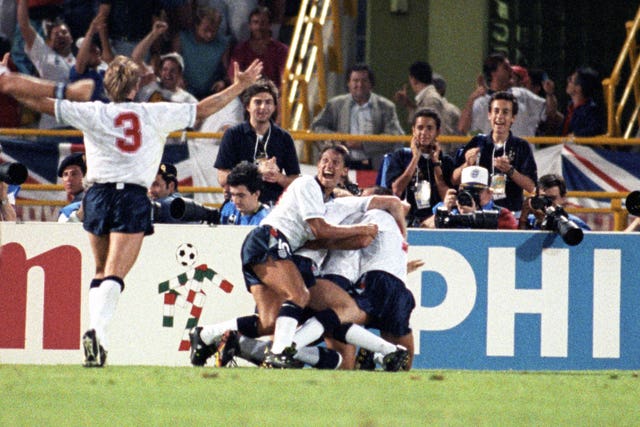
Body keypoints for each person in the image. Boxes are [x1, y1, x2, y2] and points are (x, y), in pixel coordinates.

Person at [0, 54, 263, 367]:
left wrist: (8, 80)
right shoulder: (154, 113)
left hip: (96, 196)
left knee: (100, 270)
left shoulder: (92, 112)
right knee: (116, 272)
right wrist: (238, 86)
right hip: (132, 197)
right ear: (136, 85)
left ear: (107, 84)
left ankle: (96, 333)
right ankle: (98, 332)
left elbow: (40, 103)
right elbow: (204, 109)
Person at [189, 146, 408, 370]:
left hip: (272, 248)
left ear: (344, 171)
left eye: (335, 163)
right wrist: (360, 229)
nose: (328, 166)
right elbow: (319, 230)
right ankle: (280, 352)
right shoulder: (307, 184)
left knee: (268, 322)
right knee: (303, 298)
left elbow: (391, 205)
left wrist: (390, 238)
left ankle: (205, 334)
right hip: (271, 240)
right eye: (324, 160)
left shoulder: (330, 202)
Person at [214, 78, 299, 206]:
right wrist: (257, 171)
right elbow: (222, 178)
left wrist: (279, 177)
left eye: (268, 102)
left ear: (275, 106)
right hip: (238, 207)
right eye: (257, 102)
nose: (263, 107)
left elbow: (295, 181)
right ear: (248, 106)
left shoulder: (284, 137)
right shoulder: (233, 134)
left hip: (274, 208)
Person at [453, 91, 538, 213]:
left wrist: (510, 170)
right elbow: (454, 179)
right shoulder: (477, 142)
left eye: (505, 112)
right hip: (477, 213)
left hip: (511, 214)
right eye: (496, 111)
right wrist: (467, 164)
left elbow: (532, 187)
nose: (500, 116)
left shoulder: (521, 146)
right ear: (489, 115)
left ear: (513, 117)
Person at [311, 63, 404, 170]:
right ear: (348, 83)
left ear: (371, 84)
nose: (359, 85)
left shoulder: (386, 107)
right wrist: (338, 139)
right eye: (355, 81)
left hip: (375, 167)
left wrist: (363, 144)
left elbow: (395, 136)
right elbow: (316, 128)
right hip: (341, 166)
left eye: (364, 81)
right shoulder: (335, 105)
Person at [457, 52, 559, 138]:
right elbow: (462, 128)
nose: (511, 70)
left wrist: (550, 94)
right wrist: (472, 99)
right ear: (494, 73)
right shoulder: (482, 102)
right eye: (505, 67)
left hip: (524, 157)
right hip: (497, 158)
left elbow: (550, 112)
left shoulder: (522, 94)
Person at [383, 108, 454, 226]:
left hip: (435, 220)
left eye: (429, 128)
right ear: (413, 131)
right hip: (405, 219)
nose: (424, 132)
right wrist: (415, 158)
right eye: (420, 128)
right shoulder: (400, 156)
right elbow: (396, 190)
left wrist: (436, 163)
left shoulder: (446, 161)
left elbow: (446, 198)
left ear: (437, 132)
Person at [17, 0, 75, 129]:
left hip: (75, 126)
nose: (61, 36)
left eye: (64, 33)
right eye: (56, 34)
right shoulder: (43, 55)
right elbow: (24, 26)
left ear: (71, 37)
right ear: (48, 41)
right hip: (51, 128)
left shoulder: (80, 60)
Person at [423, 165, 517, 230]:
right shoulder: (448, 208)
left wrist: (474, 217)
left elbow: (510, 240)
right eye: (467, 190)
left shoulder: (501, 214)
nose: (471, 195)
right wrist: (444, 210)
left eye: (477, 191)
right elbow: (421, 231)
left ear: (489, 193)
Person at [132, 20, 198, 104]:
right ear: (160, 71)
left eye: (173, 71)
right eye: (165, 69)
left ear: (180, 74)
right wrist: (154, 34)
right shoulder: (150, 82)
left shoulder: (188, 100)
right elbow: (136, 57)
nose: (168, 74)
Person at [173, 6, 231, 99]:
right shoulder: (181, 39)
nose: (210, 35)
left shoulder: (223, 43)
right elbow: (172, 64)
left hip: (211, 92)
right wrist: (178, 77)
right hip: (185, 90)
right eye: (206, 30)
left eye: (214, 30)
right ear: (196, 25)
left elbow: (227, 71)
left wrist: (223, 82)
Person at [227, 6, 288, 91]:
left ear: (270, 25)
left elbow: (285, 79)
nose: (259, 27)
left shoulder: (281, 49)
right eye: (255, 22)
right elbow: (233, 77)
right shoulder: (240, 49)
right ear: (250, 25)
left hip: (273, 96)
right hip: (245, 95)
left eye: (263, 23)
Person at [394, 61, 459, 136]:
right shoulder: (427, 98)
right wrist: (408, 104)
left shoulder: (431, 100)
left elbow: (430, 129)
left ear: (414, 79)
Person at [519, 173, 591, 231]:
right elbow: (515, 244)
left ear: (563, 198)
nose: (547, 204)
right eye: (543, 198)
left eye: (552, 198)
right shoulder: (529, 221)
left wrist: (544, 222)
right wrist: (523, 219)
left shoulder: (575, 224)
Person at [70, 14, 113, 102]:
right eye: (91, 50)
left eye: (95, 47)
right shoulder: (77, 73)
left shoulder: (104, 70)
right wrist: (91, 32)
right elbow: (80, 63)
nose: (97, 51)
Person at [560, 66, 605, 137]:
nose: (568, 82)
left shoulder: (591, 110)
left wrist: (576, 135)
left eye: (570, 80)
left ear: (578, 88)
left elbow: (594, 130)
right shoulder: (570, 107)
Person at [220, 160, 269, 225]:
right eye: (233, 195)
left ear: (256, 194)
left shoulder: (265, 221)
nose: (236, 201)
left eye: (241, 195)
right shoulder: (229, 208)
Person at [57, 152, 86, 222]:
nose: (68, 179)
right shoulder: (74, 203)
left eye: (74, 174)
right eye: (65, 174)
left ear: (85, 176)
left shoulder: (90, 201)